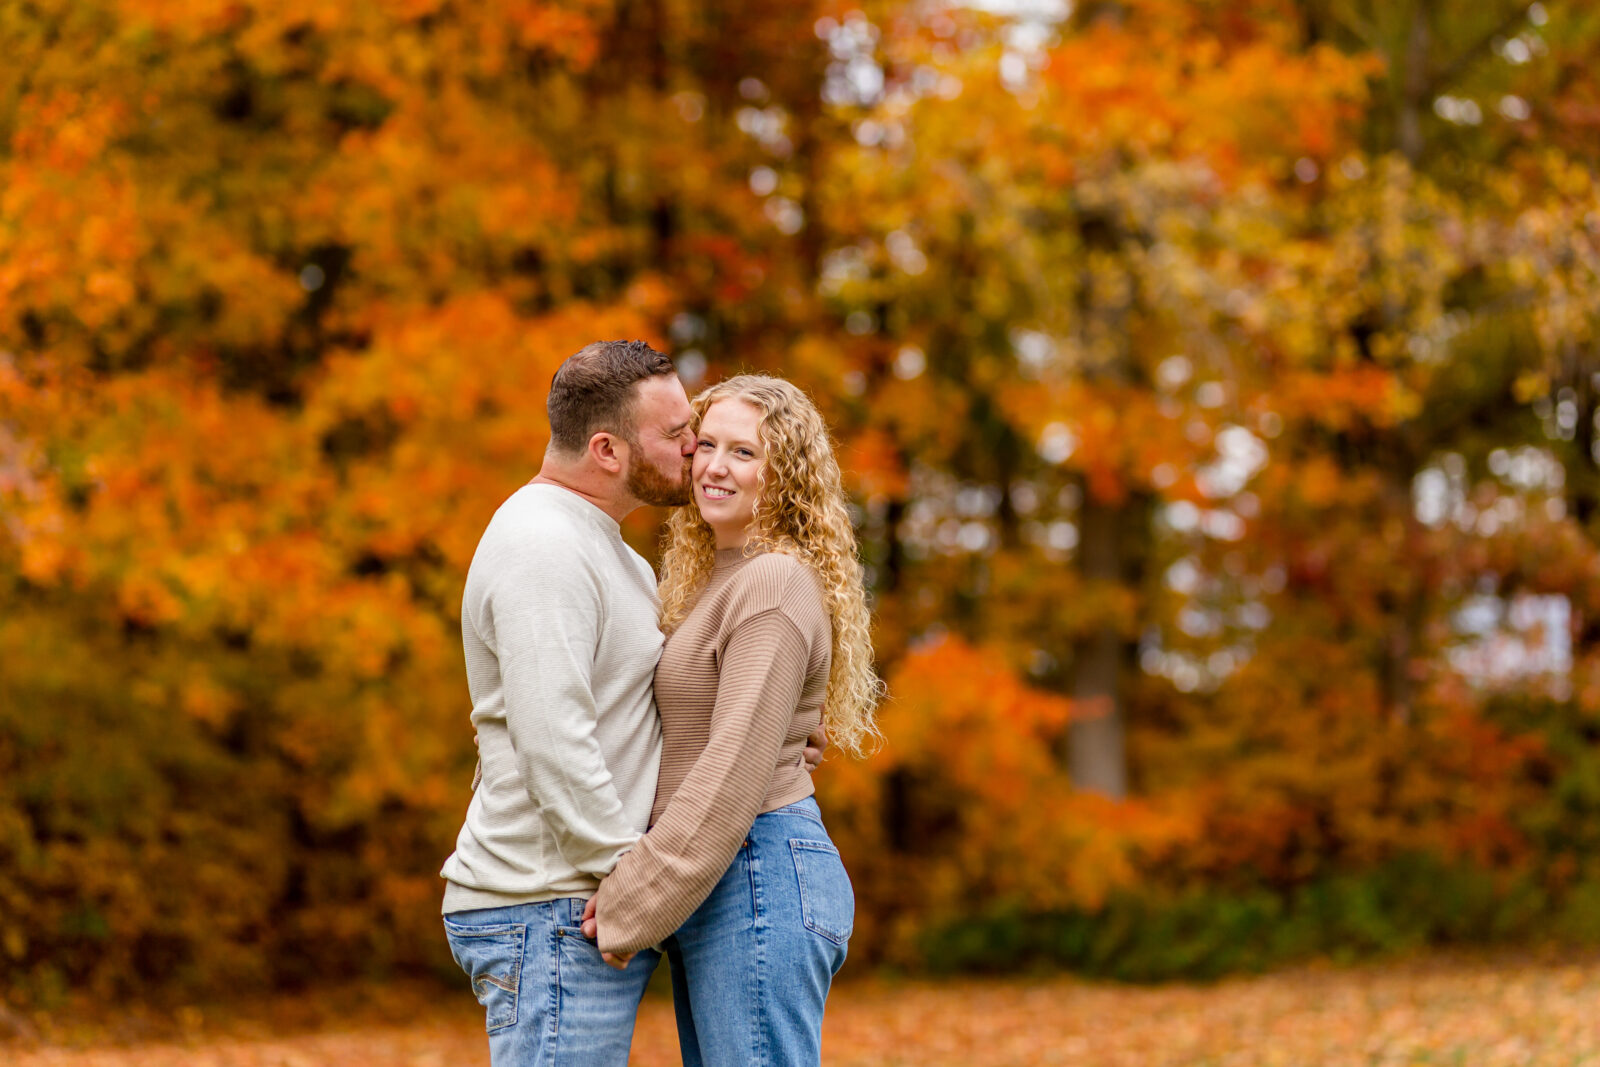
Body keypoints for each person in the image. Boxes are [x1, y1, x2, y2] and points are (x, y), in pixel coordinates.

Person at [438, 343, 822, 1066]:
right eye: (680, 434)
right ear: (608, 450)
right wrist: (632, 882)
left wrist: (777, 725)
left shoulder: (616, 554)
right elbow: (552, 738)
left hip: (583, 898)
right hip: (550, 900)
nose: (695, 449)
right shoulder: (543, 543)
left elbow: (652, 702)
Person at [583, 374, 883, 1067]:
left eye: (744, 452)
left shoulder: (772, 580)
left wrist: (638, 896)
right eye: (706, 445)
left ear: (786, 475)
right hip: (731, 874)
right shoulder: (717, 579)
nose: (715, 466)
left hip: (757, 870)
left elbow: (733, 770)